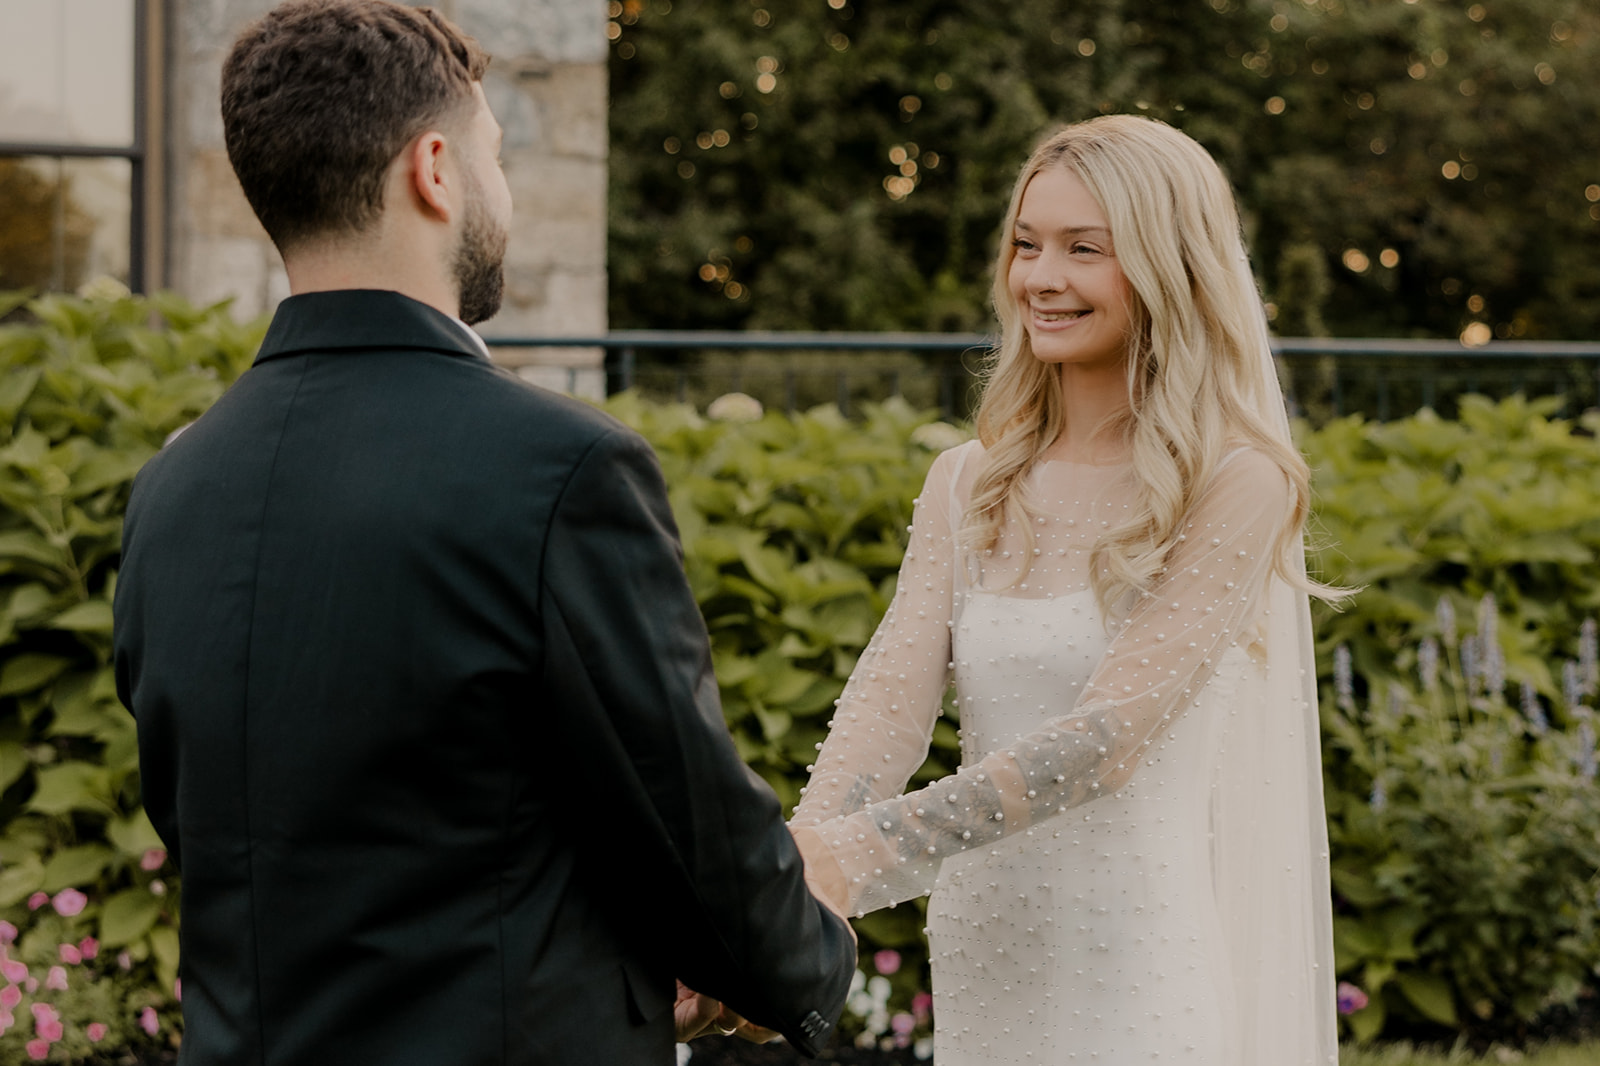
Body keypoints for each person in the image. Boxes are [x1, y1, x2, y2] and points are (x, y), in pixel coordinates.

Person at [111, 2, 855, 1063]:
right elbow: (683, 822)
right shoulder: (559, 472)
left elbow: (215, 833)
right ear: (434, 170)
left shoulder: (173, 488)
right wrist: (810, 968)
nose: (500, 191)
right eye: (493, 155)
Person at [789, 115, 1340, 1066]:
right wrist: (784, 881)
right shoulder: (967, 480)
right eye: (1027, 244)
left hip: (1137, 964)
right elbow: (885, 707)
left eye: (1085, 249)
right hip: (985, 950)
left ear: (1170, 266)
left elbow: (1102, 744)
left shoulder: (1238, 482)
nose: (1041, 277)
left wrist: (857, 855)